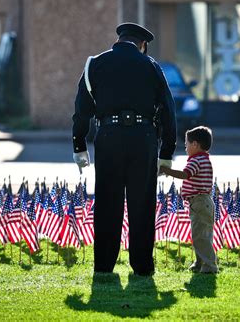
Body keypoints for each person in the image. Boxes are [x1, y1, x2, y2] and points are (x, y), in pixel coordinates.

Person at [72, 22, 177, 275]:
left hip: (108, 136)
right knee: (142, 203)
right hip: (143, 139)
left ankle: (104, 266)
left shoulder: (94, 64)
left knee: (108, 203)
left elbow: (81, 110)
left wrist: (79, 145)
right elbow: (167, 110)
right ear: (142, 45)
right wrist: (166, 153)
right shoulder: (150, 66)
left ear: (118, 40)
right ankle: (142, 266)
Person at [159, 126, 218, 273]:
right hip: (203, 202)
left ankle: (210, 266)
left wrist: (166, 170)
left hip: (199, 202)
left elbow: (185, 175)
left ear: (195, 144)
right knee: (201, 234)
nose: (185, 147)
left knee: (200, 236)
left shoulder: (196, 160)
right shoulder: (204, 159)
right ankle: (200, 262)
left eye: (186, 144)